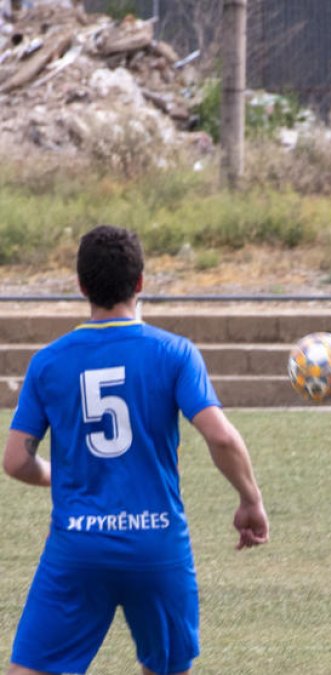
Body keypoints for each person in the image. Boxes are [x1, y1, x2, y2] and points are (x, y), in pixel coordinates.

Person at [2, 225, 269, 675]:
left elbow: (14, 460)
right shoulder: (175, 354)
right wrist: (251, 500)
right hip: (157, 545)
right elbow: (221, 436)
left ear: (81, 286)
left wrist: (55, 475)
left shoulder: (48, 362)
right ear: (141, 282)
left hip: (78, 545)